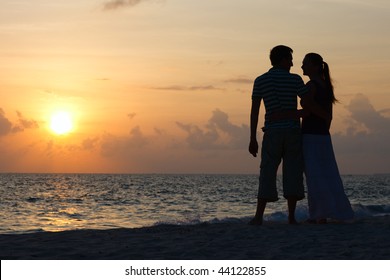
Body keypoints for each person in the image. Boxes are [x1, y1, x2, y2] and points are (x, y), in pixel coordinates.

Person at [248, 45, 308, 225]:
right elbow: (308, 104)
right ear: (282, 60)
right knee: (293, 172)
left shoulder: (261, 80)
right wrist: (296, 114)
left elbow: (254, 111)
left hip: (272, 131)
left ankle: (259, 216)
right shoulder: (295, 80)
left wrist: (252, 138)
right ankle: (291, 216)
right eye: (290, 59)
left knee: (267, 172)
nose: (292, 63)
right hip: (292, 132)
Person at [299, 53, 354, 223]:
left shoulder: (312, 85)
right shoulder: (326, 86)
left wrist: (320, 115)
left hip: (311, 134)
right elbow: (329, 115)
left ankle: (319, 214)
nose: (302, 67)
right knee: (328, 173)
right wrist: (325, 120)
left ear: (315, 67)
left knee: (314, 175)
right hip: (323, 134)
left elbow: (306, 104)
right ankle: (330, 211)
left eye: (305, 64)